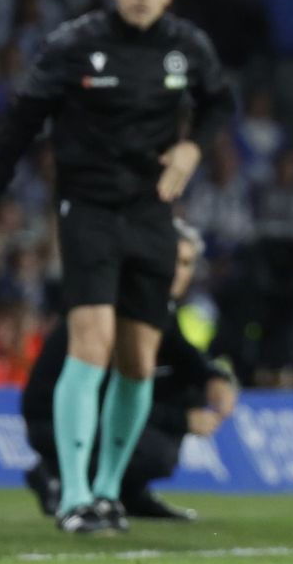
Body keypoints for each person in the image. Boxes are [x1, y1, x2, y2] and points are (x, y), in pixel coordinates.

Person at [0, 0, 234, 534]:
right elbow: (21, 117)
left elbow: (220, 102)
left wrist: (191, 147)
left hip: (151, 215)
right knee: (91, 342)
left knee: (138, 359)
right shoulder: (75, 44)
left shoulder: (186, 47)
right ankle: (75, 497)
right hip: (87, 208)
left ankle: (108, 493)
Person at [21, 220, 237, 521]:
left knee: (188, 388)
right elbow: (105, 390)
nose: (179, 271)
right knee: (155, 449)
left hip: (95, 409)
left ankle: (129, 493)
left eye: (187, 263)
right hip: (51, 417)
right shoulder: (118, 303)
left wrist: (216, 377)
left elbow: (186, 357)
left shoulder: (160, 308)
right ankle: (55, 473)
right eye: (173, 260)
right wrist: (180, 419)